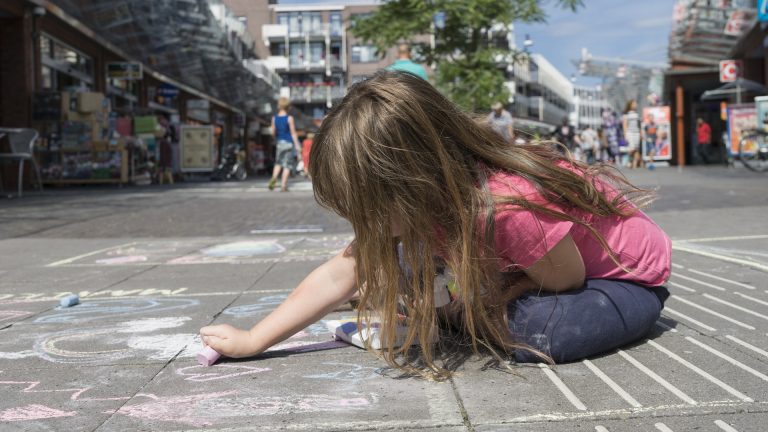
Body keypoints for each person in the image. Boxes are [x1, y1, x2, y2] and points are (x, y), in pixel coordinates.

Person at [200, 72, 671, 376]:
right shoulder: (432, 204)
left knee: (545, 333)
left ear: (415, 180)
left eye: (367, 208)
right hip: (543, 267)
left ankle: (447, 311)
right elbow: (336, 274)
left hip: (620, 282)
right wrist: (254, 339)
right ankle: (447, 309)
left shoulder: (505, 206)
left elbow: (568, 280)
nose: (360, 223)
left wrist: (471, 300)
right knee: (423, 269)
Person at [268, 97, 301, 192]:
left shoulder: (274, 118)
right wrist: (298, 146)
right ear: (288, 107)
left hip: (280, 143)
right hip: (288, 144)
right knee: (287, 165)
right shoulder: (289, 118)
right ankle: (283, 185)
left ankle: (273, 179)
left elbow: (273, 133)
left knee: (278, 163)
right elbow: (293, 133)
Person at [623, 100, 642, 169]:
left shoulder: (637, 114)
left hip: (636, 133)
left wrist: (640, 133)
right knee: (632, 148)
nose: (635, 105)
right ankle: (628, 160)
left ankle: (634, 165)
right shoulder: (626, 114)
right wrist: (625, 135)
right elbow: (625, 125)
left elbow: (639, 125)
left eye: (636, 103)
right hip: (630, 133)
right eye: (634, 103)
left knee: (636, 149)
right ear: (630, 104)